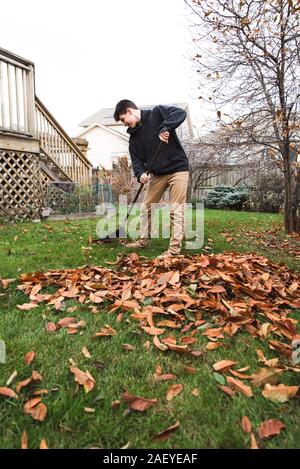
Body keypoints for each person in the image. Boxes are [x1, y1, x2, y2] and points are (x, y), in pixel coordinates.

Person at [113, 99, 189, 258]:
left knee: (176, 210)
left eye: (123, 119)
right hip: (158, 174)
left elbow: (180, 113)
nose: (124, 123)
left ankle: (173, 251)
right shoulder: (134, 138)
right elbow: (136, 160)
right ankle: (143, 241)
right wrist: (140, 173)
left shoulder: (157, 113)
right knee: (145, 207)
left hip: (178, 169)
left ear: (129, 111)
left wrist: (165, 127)